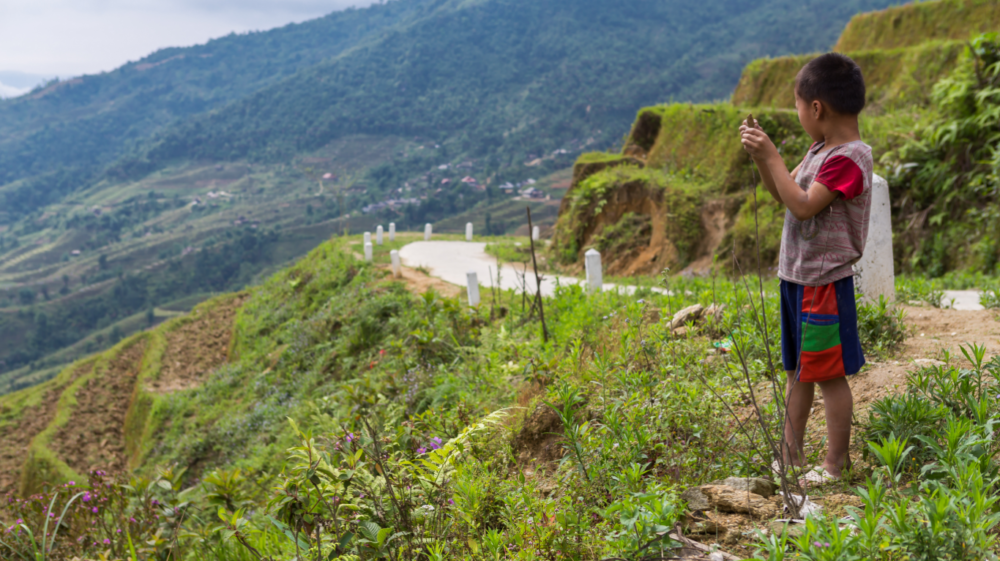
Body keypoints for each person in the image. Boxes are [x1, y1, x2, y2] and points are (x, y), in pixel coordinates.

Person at [739, 52, 872, 481]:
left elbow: (802, 206)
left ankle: (836, 463)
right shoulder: (819, 148)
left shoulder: (850, 158)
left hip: (823, 284)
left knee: (829, 374)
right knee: (798, 371)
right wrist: (764, 159)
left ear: (817, 108)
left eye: (798, 106)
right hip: (796, 279)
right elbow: (784, 192)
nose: (798, 114)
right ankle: (790, 456)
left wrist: (774, 156)